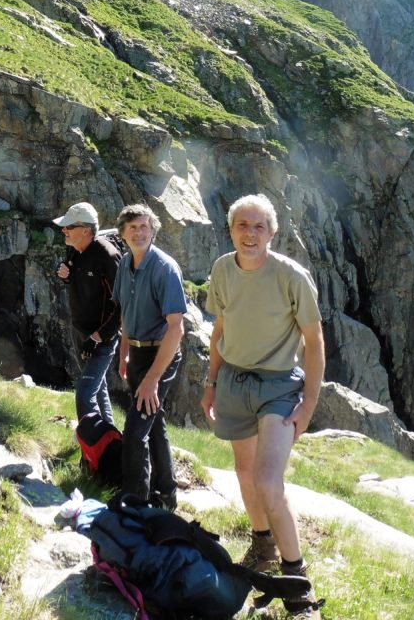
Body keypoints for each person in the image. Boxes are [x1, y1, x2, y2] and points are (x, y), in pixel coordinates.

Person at [200, 194, 325, 620]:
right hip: (233, 380)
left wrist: (308, 404)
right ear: (231, 230)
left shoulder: (292, 276)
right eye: (242, 225)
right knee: (244, 472)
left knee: (269, 481)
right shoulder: (221, 269)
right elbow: (220, 328)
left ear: (272, 233)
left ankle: (298, 587)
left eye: (258, 227)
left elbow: (314, 341)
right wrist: (211, 381)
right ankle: (262, 545)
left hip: (277, 387)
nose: (249, 234)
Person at [112, 203, 187, 510]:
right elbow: (126, 314)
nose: (140, 232)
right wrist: (124, 353)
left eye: (145, 226)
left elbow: (176, 329)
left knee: (134, 432)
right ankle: (166, 494)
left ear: (153, 230)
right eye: (133, 228)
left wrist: (153, 379)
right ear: (123, 235)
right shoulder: (125, 265)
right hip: (138, 354)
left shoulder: (165, 268)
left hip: (162, 355)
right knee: (154, 424)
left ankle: (135, 503)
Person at [54, 201, 122, 425]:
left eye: (68, 227)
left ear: (86, 230)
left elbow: (124, 305)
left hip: (100, 338)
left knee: (84, 395)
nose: (63, 230)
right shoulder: (74, 248)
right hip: (79, 331)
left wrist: (98, 337)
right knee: (97, 388)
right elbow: (75, 278)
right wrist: (66, 275)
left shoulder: (107, 256)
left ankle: (93, 451)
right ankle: (109, 441)